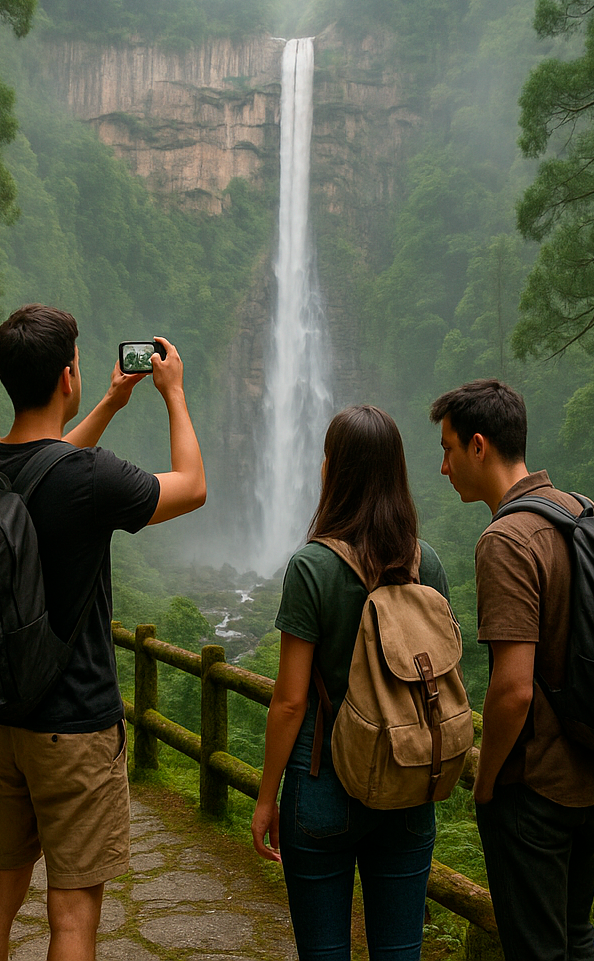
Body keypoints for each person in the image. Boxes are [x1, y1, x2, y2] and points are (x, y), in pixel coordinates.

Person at [0, 305, 207, 961]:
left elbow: (39, 465)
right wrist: (173, 393)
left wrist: (107, 406)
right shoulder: (90, 480)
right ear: (67, 375)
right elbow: (192, 487)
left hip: (2, 717)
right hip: (74, 726)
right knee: (72, 915)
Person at [429, 379, 594, 961]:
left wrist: (487, 780)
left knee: (537, 951)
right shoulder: (582, 510)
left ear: (477, 446)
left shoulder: (506, 540)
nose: (442, 468)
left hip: (538, 787)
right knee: (575, 936)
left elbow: (513, 690)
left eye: (446, 450)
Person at [251, 404, 450, 961]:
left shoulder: (311, 567)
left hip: (322, 784)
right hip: (407, 781)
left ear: (333, 470)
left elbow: (290, 703)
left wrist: (267, 799)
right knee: (399, 953)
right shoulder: (425, 563)